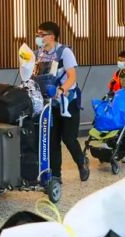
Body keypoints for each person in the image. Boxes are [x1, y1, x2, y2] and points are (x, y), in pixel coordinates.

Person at [33, 21, 89, 182]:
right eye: (37, 34)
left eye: (41, 34)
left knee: (69, 138)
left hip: (67, 101)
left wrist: (61, 90)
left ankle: (81, 161)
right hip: (49, 102)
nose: (38, 37)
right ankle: (56, 176)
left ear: (51, 36)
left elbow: (72, 76)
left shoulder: (64, 52)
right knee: (53, 140)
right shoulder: (39, 54)